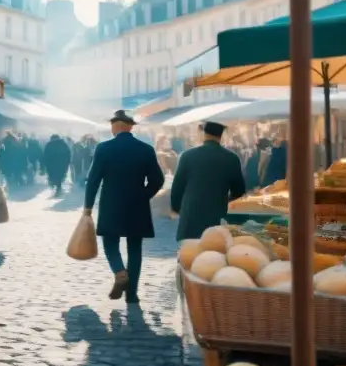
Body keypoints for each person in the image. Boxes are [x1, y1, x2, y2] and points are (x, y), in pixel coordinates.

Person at [84, 110, 165, 304]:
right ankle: (132, 295)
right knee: (135, 248)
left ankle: (120, 272)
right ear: (130, 126)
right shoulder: (145, 149)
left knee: (110, 242)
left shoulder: (104, 148)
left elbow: (93, 180)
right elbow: (158, 180)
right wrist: (144, 195)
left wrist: (87, 207)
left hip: (111, 203)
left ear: (117, 125)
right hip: (137, 204)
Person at [171, 122, 247, 241]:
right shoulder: (231, 158)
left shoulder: (187, 156)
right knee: (214, 255)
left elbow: (177, 189)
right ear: (221, 134)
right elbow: (239, 192)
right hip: (217, 219)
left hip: (190, 219)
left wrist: (178, 210)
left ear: (203, 133)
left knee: (189, 255)